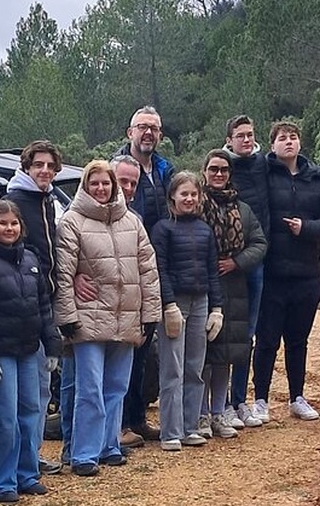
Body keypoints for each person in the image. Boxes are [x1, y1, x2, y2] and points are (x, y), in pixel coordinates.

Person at [55, 160, 161, 477]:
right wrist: (67, 316)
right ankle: (83, 453)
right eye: (95, 183)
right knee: (89, 388)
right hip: (87, 320)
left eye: (106, 183)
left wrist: (150, 315)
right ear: (85, 186)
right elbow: (63, 274)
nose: (101, 189)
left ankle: (108, 445)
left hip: (126, 318)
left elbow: (148, 272)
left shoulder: (132, 222)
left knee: (116, 386)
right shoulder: (71, 222)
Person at [0, 200, 62, 503]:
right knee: (4, 417)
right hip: (1, 352)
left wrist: (52, 345)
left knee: (30, 411)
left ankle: (26, 473)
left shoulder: (31, 259)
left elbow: (43, 306)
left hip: (29, 349)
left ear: (21, 227)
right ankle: (0, 480)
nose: (9, 228)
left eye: (14, 224)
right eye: (2, 223)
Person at [253, 121, 320, 423]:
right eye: (281, 138)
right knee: (266, 340)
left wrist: (307, 228)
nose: (288, 142)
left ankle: (297, 398)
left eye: (293, 137)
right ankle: (260, 400)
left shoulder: (316, 180)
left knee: (297, 341)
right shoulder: (262, 174)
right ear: (272, 145)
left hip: (306, 275)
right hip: (272, 274)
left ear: (300, 144)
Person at [110, 106, 175, 444]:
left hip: (152, 274)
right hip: (120, 276)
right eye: (142, 127)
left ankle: (136, 419)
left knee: (140, 354)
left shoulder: (165, 170)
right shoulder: (116, 168)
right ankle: (117, 425)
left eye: (154, 128)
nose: (148, 133)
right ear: (129, 133)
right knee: (119, 355)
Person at [1, 140, 63, 476]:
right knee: (19, 396)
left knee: (39, 388)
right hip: (21, 309)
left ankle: (31, 457)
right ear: (26, 167)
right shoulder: (15, 201)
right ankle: (17, 464)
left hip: (45, 304)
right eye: (38, 165)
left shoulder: (46, 200)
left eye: (50, 166)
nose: (44, 171)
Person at [197, 150, 267, 439]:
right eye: (213, 169)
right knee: (202, 355)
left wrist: (236, 261)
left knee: (226, 354)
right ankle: (200, 414)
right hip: (201, 285)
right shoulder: (195, 202)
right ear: (204, 172)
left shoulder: (243, 209)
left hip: (234, 286)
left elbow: (259, 243)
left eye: (224, 170)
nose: (219, 174)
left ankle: (220, 412)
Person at [151, 171, 223, 451]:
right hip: (175, 303)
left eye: (194, 194)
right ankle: (170, 431)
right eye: (184, 194)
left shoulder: (205, 230)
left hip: (201, 301)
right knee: (173, 368)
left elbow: (212, 272)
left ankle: (190, 427)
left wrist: (217, 307)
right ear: (173, 197)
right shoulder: (163, 229)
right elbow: (161, 269)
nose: (189, 199)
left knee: (195, 367)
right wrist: (168, 304)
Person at [220, 115, 270, 429]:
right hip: (222, 269)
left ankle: (239, 400)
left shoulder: (264, 164)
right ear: (229, 140)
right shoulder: (221, 168)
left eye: (250, 134)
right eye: (240, 135)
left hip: (253, 264)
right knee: (220, 335)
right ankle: (219, 404)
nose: (246, 140)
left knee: (246, 336)